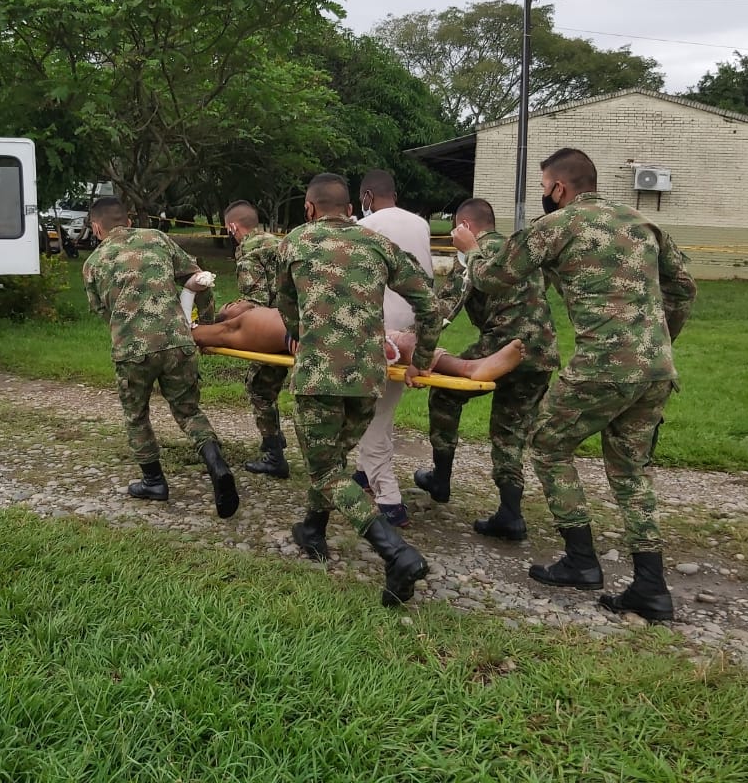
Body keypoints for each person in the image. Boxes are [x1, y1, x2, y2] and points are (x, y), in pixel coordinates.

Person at [453, 148, 696, 622]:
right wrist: (658, 340)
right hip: (655, 369)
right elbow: (684, 287)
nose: (545, 195)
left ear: (558, 189)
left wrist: (471, 249)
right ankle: (650, 584)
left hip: (603, 366)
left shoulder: (557, 226)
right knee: (630, 470)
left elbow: (494, 278)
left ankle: (582, 560)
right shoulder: (640, 222)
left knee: (547, 444)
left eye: (544, 188)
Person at [278, 173, 442, 607]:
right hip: (368, 378)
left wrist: (297, 333)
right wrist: (422, 359)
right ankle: (312, 530)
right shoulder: (377, 244)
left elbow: (285, 304)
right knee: (331, 460)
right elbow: (429, 302)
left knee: (326, 472)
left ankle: (396, 553)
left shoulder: (294, 242)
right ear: (352, 208)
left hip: (318, 378)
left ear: (310, 208)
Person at [83, 197, 240, 519]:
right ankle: (216, 464)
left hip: (132, 350)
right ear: (127, 221)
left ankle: (154, 481)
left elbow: (102, 311)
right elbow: (200, 280)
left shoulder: (94, 263)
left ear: (96, 227)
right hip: (177, 342)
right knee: (187, 410)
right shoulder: (157, 238)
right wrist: (206, 324)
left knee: (137, 415)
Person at [416, 198, 559, 543]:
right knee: (510, 431)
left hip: (501, 344)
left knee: (444, 392)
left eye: (454, 229)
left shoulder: (473, 256)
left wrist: (420, 351)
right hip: (541, 352)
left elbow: (444, 311)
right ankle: (510, 514)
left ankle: (441, 478)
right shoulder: (517, 252)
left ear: (465, 227)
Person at [350, 169, 435, 527]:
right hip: (414, 329)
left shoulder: (365, 228)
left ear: (367, 196)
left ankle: (389, 499)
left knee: (371, 416)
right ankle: (363, 474)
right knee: (382, 411)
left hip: (378, 332)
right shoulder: (421, 224)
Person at [191, 306, 523, 382]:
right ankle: (468, 367)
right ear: (227, 316)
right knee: (400, 342)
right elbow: (198, 333)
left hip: (328, 327)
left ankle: (468, 367)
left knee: (403, 343)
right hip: (319, 336)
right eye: (230, 304)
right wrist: (199, 329)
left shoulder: (256, 315)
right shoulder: (240, 324)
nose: (236, 301)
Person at [219, 200, 291, 479]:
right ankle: (273, 439)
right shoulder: (279, 243)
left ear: (233, 227)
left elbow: (255, 303)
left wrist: (227, 313)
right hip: (295, 326)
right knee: (268, 387)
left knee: (258, 387)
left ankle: (274, 456)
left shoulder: (249, 252)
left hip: (273, 330)